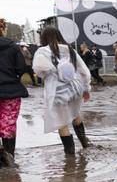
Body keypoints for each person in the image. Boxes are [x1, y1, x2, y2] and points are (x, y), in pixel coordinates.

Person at [33, 26, 92, 156]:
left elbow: (38, 69)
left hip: (57, 91)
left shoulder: (42, 51)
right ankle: (85, 143)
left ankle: (70, 157)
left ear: (44, 38)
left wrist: (51, 71)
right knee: (75, 113)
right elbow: (85, 71)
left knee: (61, 122)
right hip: (75, 88)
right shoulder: (70, 50)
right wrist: (86, 88)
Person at [0, 18, 29, 167]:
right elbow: (21, 68)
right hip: (10, 91)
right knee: (8, 124)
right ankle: (9, 157)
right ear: (3, 29)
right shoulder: (12, 46)